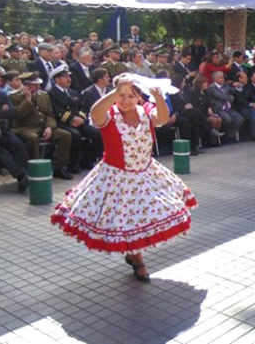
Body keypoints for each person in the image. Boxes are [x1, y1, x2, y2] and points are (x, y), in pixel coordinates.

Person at [51, 74, 197, 282]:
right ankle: (137, 259)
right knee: (124, 220)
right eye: (121, 95)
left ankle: (134, 253)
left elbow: (162, 119)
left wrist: (158, 96)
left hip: (146, 174)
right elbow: (95, 113)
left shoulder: (145, 111)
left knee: (144, 217)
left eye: (131, 95)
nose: (126, 100)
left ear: (139, 97)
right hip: (117, 177)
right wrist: (116, 91)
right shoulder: (109, 114)